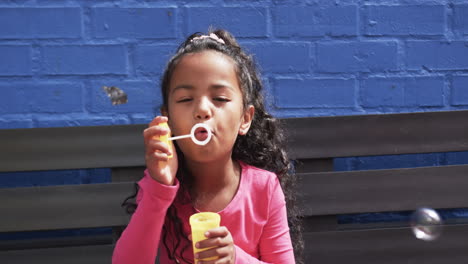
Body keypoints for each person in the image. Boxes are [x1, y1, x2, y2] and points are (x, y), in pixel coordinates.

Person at [112, 29, 303, 264]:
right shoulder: (158, 186)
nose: (202, 110)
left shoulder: (264, 188)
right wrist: (159, 188)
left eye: (220, 99)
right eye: (185, 99)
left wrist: (236, 258)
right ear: (168, 120)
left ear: (245, 119)